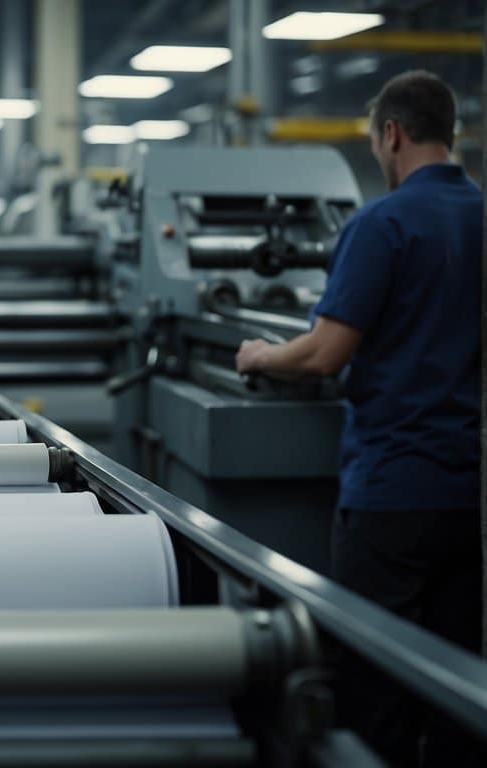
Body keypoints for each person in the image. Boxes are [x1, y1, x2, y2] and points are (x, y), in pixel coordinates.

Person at [235, 70, 481, 767]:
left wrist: (259, 354)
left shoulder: (383, 222)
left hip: (394, 491)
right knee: (458, 681)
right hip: (472, 496)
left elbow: (323, 356)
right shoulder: (481, 213)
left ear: (392, 134)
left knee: (377, 689)